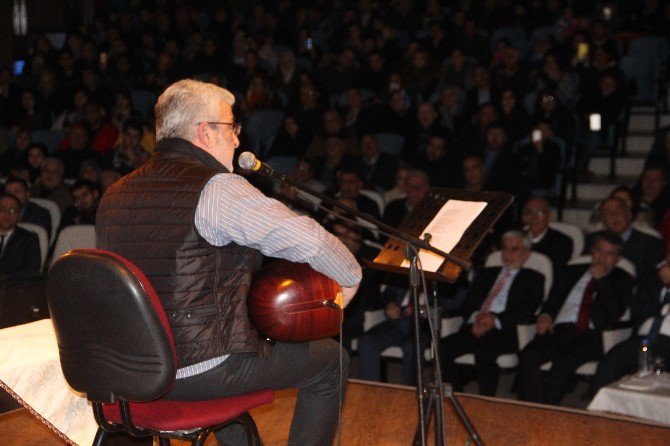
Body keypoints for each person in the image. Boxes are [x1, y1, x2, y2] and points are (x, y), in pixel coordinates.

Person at [95, 79, 362, 445]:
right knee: (332, 360)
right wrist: (350, 276)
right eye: (231, 127)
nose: (238, 139)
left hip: (130, 371)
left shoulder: (115, 193)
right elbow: (308, 239)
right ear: (204, 132)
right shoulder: (217, 188)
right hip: (197, 370)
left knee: (231, 350)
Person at [516, 231, 635, 405]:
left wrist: (601, 281)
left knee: (563, 361)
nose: (602, 257)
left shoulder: (622, 279)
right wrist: (546, 315)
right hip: (559, 329)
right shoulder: (571, 271)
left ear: (617, 258)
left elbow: (614, 313)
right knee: (529, 355)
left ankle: (549, 408)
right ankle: (538, 406)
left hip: (591, 335)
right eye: (599, 251)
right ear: (591, 251)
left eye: (609, 254)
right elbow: (552, 300)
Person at [439, 231, 545, 396]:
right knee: (443, 347)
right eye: (505, 249)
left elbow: (527, 309)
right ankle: (455, 397)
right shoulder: (486, 274)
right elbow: (468, 303)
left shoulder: (533, 278)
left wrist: (494, 320)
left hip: (505, 330)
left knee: (484, 353)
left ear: (525, 254)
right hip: (476, 324)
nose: (508, 254)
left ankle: (486, 399)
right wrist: (477, 317)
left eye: (514, 249)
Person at [589, 255, 670, 396]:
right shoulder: (654, 276)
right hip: (644, 341)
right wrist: (661, 283)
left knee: (656, 378)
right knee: (609, 365)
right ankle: (598, 414)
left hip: (667, 342)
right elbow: (637, 310)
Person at [586, 196, 664, 283]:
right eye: (608, 212)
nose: (614, 216)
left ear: (629, 214)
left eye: (619, 210)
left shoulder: (650, 243)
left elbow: (653, 280)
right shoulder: (590, 240)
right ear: (602, 219)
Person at [522, 197, 574, 270]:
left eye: (540, 212)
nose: (534, 217)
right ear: (524, 217)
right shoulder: (515, 239)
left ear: (550, 217)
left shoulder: (562, 242)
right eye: (529, 212)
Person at [0, 193, 42, 278]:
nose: (7, 215)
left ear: (19, 214)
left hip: (13, 286)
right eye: (2, 210)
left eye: (12, 211)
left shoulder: (29, 238)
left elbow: (32, 269)